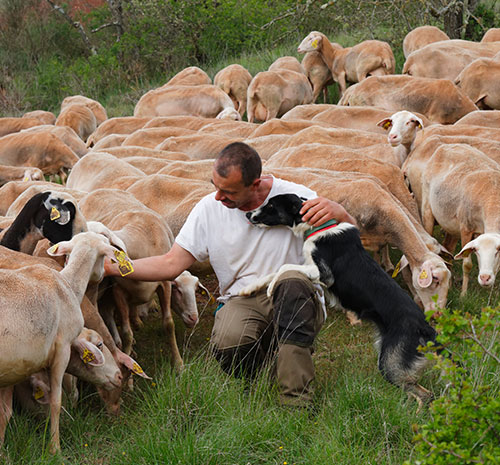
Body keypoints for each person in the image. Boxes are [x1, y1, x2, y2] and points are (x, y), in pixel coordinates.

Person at [105, 142, 356, 406]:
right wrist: (117, 267)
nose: (218, 197)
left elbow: (348, 246)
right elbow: (171, 264)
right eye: (215, 187)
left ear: (255, 184)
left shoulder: (296, 198)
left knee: (291, 282)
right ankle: (265, 376)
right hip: (242, 298)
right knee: (228, 344)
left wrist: (342, 215)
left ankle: (295, 404)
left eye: (228, 192)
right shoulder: (209, 210)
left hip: (294, 292)